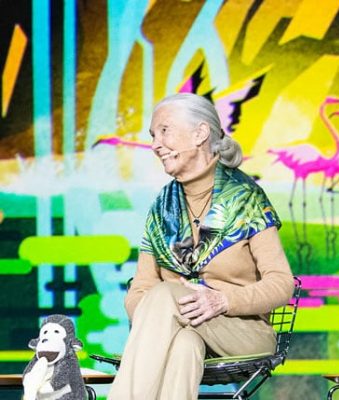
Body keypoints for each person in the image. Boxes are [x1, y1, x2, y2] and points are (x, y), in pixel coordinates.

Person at [109, 93, 294, 399]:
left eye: (164, 131)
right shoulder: (161, 208)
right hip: (181, 329)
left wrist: (223, 300)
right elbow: (141, 288)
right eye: (153, 135)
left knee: (166, 294)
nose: (155, 145)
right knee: (184, 344)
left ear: (200, 134)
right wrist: (158, 318)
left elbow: (282, 284)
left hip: (241, 332)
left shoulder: (246, 199)